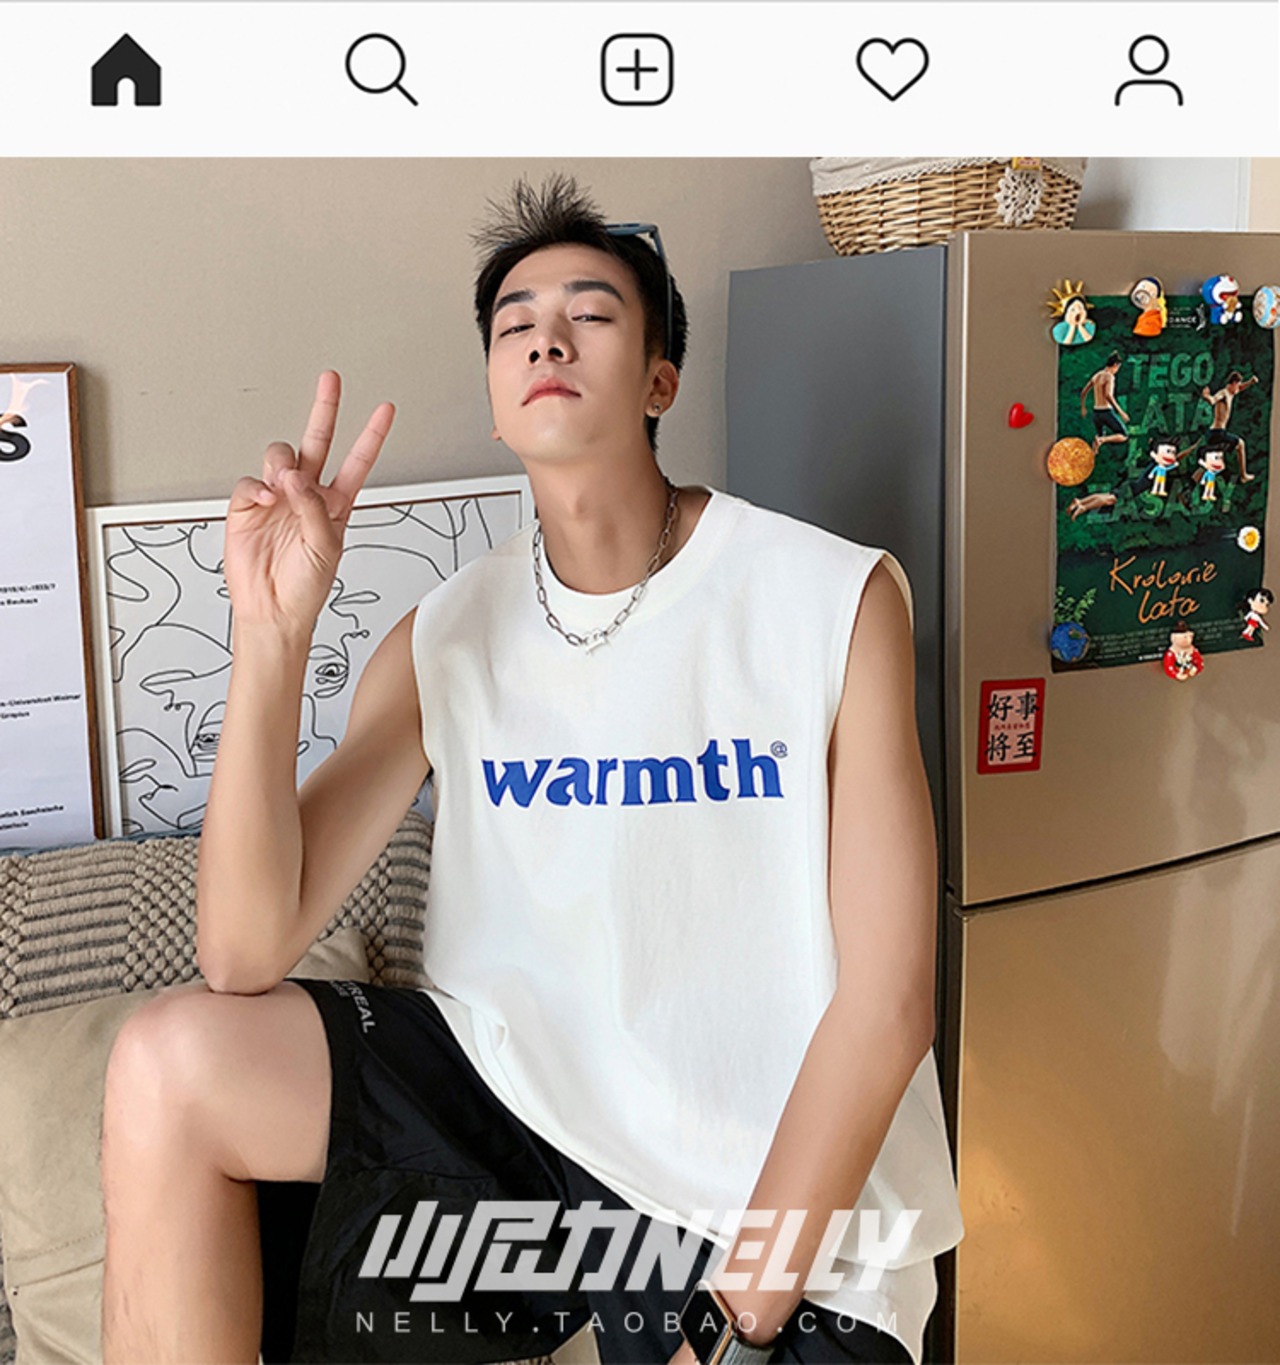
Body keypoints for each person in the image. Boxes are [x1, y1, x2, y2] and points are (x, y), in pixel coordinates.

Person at [100, 173, 962, 1365]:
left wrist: (733, 1328)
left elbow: (887, 1006)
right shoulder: (442, 637)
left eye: (590, 314)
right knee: (169, 1065)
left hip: (759, 1206)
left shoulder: (829, 598)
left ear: (659, 380)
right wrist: (270, 635)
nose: (546, 339)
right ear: (498, 401)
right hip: (520, 1138)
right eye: (514, 326)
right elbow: (241, 953)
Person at [1201, 371, 1260, 482]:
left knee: (1217, 458)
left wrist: (1250, 382)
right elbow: (1213, 400)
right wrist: (1206, 397)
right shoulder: (1223, 393)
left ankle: (1199, 478)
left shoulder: (1231, 392)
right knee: (1241, 444)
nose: (1238, 388)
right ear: (1233, 383)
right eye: (1238, 384)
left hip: (1217, 432)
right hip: (1217, 433)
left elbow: (1240, 388)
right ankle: (1243, 476)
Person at [1080, 352, 1129, 453]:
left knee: (1098, 439)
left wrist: (1083, 407)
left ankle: (1094, 452)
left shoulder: (1096, 375)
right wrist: (1121, 412)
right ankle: (1102, 440)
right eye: (1118, 368)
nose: (1117, 371)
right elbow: (1108, 395)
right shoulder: (1109, 376)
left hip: (1096, 413)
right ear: (1115, 365)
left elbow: (1083, 392)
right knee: (1124, 435)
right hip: (1106, 411)